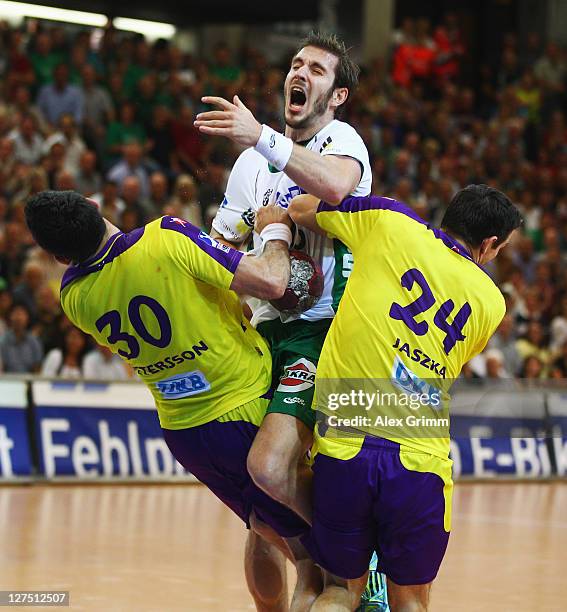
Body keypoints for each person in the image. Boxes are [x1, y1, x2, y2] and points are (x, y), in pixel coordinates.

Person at [24, 190, 317, 611]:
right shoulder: (165, 236)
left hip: (186, 432)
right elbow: (272, 280)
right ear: (94, 207)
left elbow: (183, 304)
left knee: (261, 527)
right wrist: (274, 233)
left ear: (58, 259)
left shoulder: (73, 296)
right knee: (314, 564)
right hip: (244, 406)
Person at [197, 30, 386, 610]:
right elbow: (224, 245)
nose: (299, 73)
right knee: (259, 515)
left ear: (337, 95)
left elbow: (334, 185)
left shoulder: (340, 139)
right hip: (261, 334)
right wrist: (222, 248)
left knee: (271, 466)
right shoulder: (249, 165)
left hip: (323, 329)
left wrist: (261, 137)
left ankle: (360, 556)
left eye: (317, 70)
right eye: (296, 64)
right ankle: (317, 569)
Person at [287, 184, 522, 610]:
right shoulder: (492, 301)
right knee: (411, 599)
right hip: (420, 449)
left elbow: (302, 208)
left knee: (339, 589)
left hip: (346, 430)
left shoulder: (389, 221)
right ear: (489, 245)